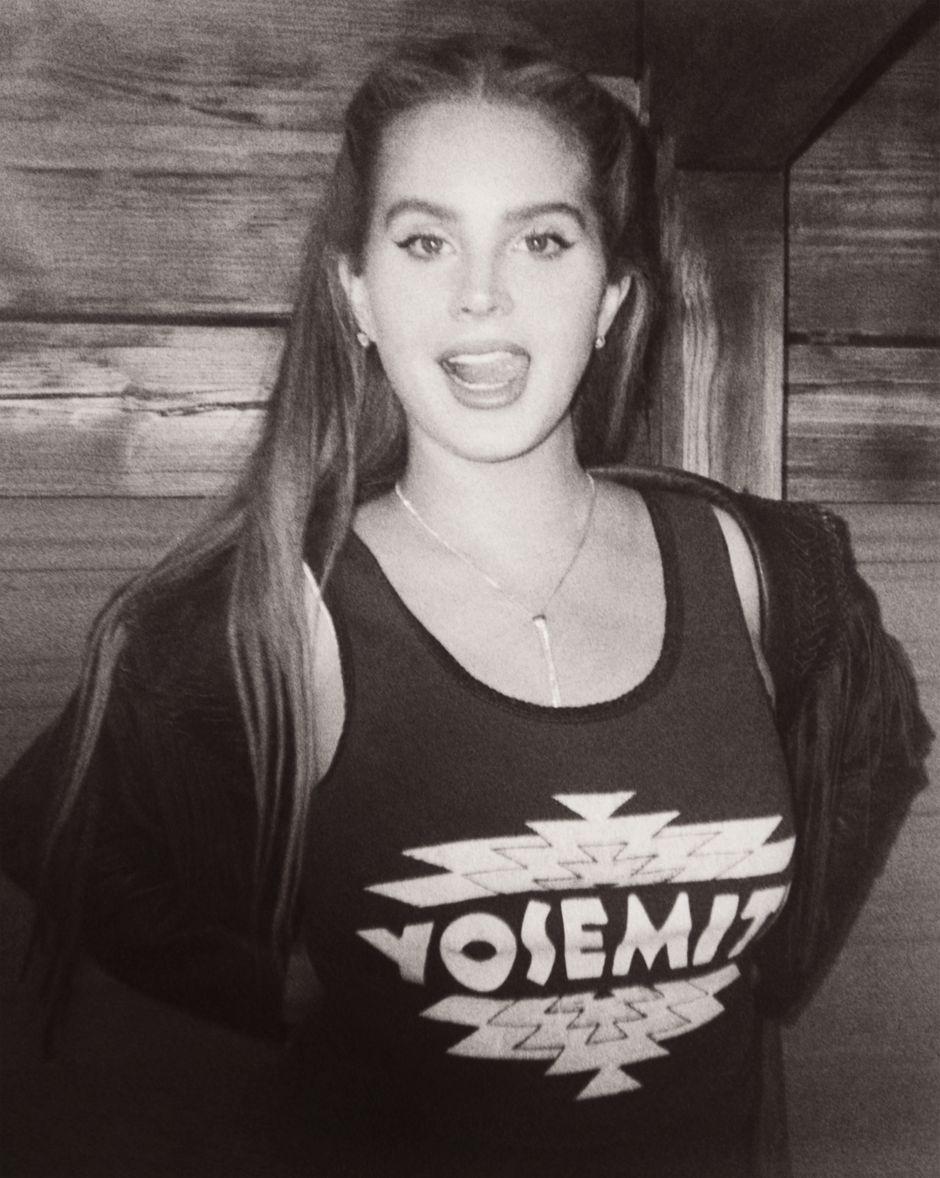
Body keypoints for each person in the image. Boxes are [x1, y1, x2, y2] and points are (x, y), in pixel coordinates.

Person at [0, 32, 931, 1178]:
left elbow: (869, 760)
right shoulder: (270, 618)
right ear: (357, 291)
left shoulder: (768, 571)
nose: (481, 293)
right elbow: (59, 834)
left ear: (610, 295)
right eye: (425, 240)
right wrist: (274, 986)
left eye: (541, 239)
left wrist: (761, 968)